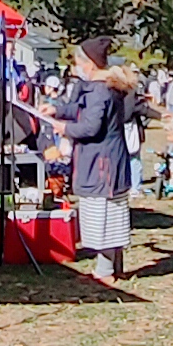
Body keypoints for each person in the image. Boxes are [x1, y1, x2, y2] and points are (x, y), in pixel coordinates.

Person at [52, 37, 140, 279]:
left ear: (88, 63)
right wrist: (56, 110)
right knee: (113, 215)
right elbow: (80, 110)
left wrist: (65, 129)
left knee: (103, 216)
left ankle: (105, 270)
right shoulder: (101, 88)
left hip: (103, 165)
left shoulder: (100, 90)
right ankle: (116, 268)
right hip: (107, 161)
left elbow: (91, 126)